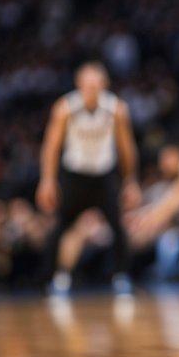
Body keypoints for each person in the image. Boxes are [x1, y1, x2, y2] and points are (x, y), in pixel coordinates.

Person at [36, 62, 140, 296]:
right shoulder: (65, 108)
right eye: (88, 83)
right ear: (79, 83)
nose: (92, 87)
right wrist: (47, 180)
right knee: (61, 226)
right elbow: (51, 147)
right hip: (75, 174)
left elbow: (127, 149)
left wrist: (131, 180)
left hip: (104, 173)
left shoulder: (116, 109)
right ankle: (52, 278)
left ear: (105, 84)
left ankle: (121, 275)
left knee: (117, 225)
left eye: (96, 83)